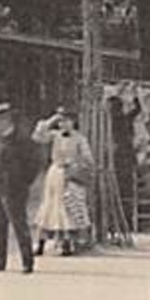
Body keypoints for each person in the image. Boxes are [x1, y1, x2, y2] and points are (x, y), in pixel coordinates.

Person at [0, 102, 39, 274]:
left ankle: (27, 261)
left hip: (14, 190)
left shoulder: (21, 140)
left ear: (6, 120)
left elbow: (33, 164)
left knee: (19, 225)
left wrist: (22, 183)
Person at [32, 109, 95, 256]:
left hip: (70, 174)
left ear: (73, 122)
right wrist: (51, 120)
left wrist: (75, 164)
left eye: (67, 120)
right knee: (49, 206)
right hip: (54, 173)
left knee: (67, 207)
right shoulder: (54, 136)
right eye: (61, 121)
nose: (64, 124)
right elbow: (37, 136)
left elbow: (88, 159)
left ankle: (66, 243)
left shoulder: (80, 139)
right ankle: (41, 243)